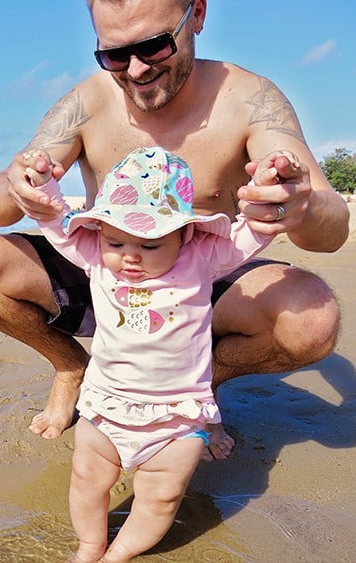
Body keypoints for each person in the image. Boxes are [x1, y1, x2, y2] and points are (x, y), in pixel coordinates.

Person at [0, 0, 349, 458]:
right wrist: (17, 184)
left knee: (312, 319)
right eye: (115, 55)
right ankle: (71, 368)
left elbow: (331, 230)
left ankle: (194, 388)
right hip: (109, 272)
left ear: (197, 15)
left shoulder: (250, 99)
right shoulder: (87, 102)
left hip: (205, 280)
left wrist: (300, 205)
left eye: (155, 46)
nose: (136, 70)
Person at [26, 145, 277, 561]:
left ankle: (120, 553)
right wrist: (44, 183)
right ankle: (90, 545)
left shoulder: (202, 257)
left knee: (161, 497)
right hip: (106, 406)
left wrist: (266, 191)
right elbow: (55, 222)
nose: (130, 256)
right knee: (87, 479)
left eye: (150, 245)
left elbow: (253, 233)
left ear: (185, 234)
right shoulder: (96, 258)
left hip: (177, 416)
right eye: (116, 240)